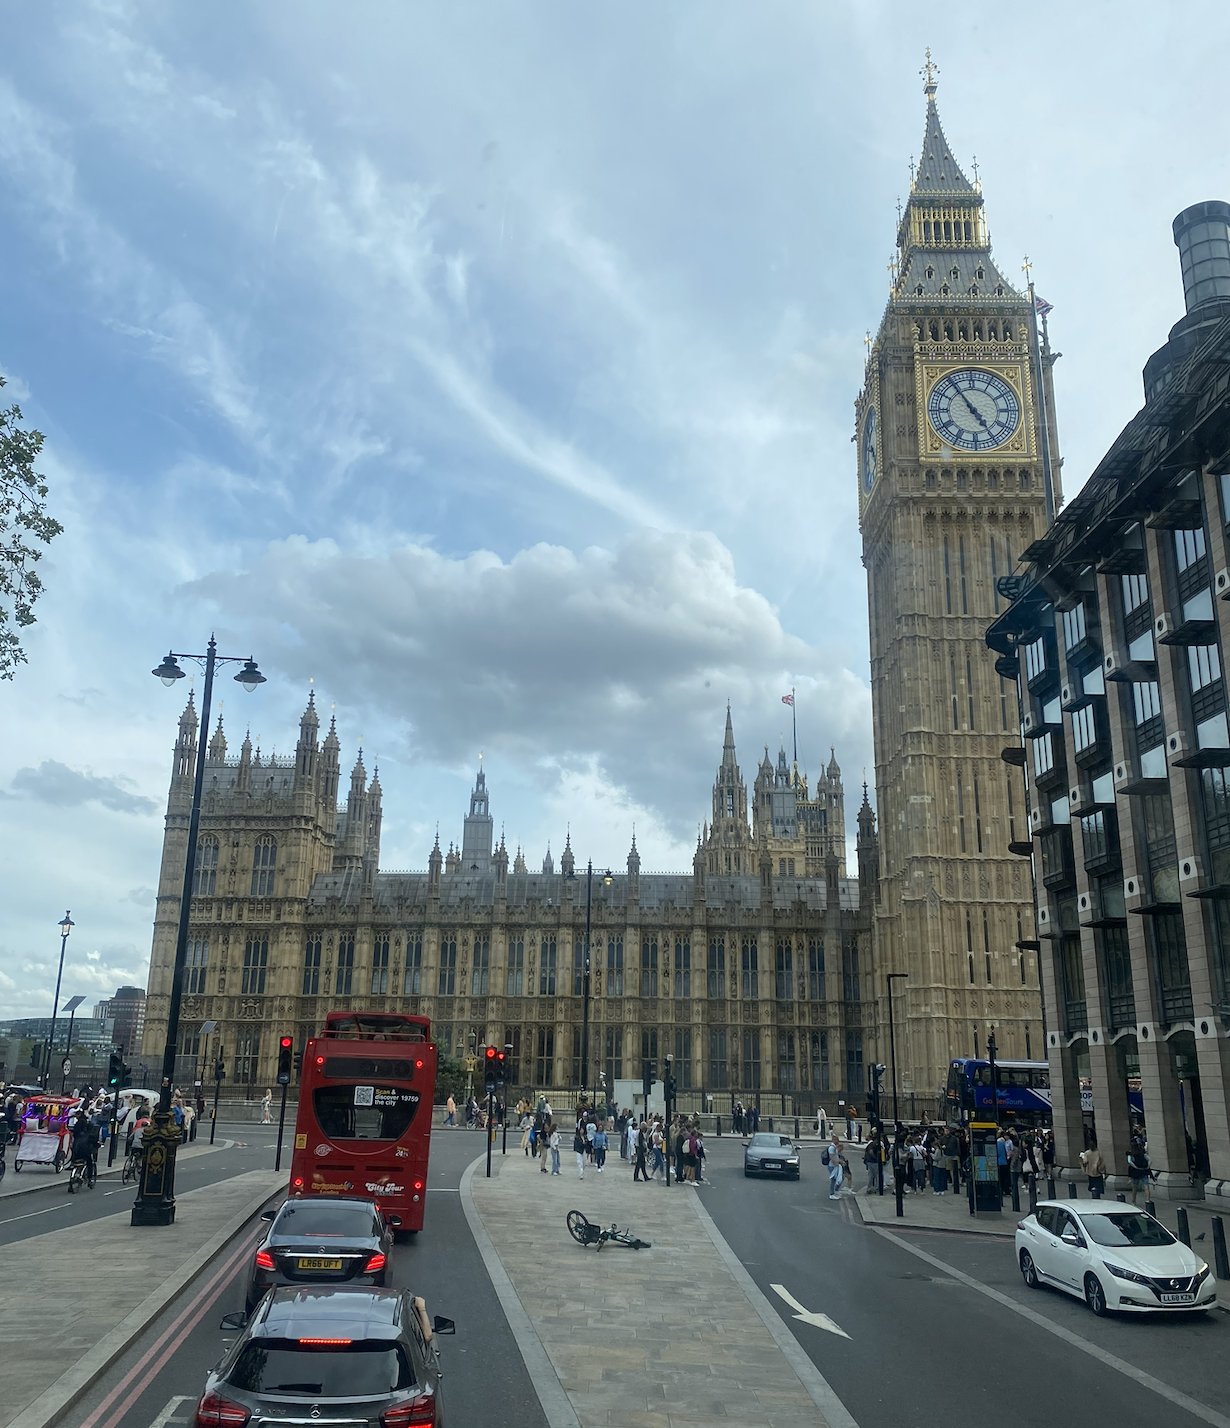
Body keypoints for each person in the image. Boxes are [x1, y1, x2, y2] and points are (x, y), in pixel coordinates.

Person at [1127, 1136, 1151, 1205]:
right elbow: (1149, 1160)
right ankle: (1148, 1200)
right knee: (1146, 1186)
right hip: (1144, 1171)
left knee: (1135, 1187)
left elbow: (1129, 1162)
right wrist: (1147, 1167)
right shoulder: (1141, 1152)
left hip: (1135, 1172)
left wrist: (1136, 1167)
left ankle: (1133, 1201)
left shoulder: (1131, 1153)